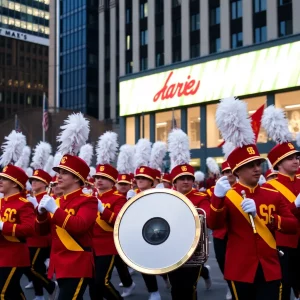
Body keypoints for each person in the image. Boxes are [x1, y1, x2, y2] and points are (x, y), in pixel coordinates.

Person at [211, 97, 298, 299]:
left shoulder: (272, 193)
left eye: (258, 163)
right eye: (251, 165)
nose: (257, 168)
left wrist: (268, 218)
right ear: (238, 170)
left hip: (270, 267)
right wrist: (217, 198)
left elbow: (292, 224)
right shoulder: (228, 196)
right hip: (240, 270)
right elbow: (215, 225)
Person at [36, 154, 98, 299]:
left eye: (65, 173)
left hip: (78, 263)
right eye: (59, 172)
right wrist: (41, 214)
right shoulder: (56, 202)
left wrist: (55, 211)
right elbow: (42, 231)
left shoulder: (88, 201)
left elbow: (80, 226)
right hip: (60, 264)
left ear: (77, 177)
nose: (59, 176)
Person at [89, 163, 134, 299]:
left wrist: (103, 210)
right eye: (97, 177)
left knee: (102, 282)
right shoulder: (91, 197)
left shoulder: (118, 197)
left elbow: (120, 221)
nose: (99, 180)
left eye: (104, 177)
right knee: (92, 283)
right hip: (91, 246)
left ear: (112, 181)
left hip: (108, 246)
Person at [0, 165, 36, 299]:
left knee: (3, 293)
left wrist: (4, 226)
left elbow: (29, 229)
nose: (0, 181)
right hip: (2, 255)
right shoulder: (1, 202)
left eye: (4, 178)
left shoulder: (24, 204)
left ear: (15, 183)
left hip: (14, 256)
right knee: (12, 292)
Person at [26, 169, 58, 300]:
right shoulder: (29, 196)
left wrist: (36, 207)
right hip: (29, 238)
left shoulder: (48, 198)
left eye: (37, 180)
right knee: (31, 267)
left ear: (45, 183)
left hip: (42, 239)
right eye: (32, 180)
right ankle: (39, 294)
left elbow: (50, 220)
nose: (33, 182)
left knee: (32, 267)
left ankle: (50, 286)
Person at [207, 161, 236, 300]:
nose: (229, 174)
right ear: (222, 173)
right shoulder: (213, 190)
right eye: (226, 171)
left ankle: (234, 287)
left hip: (236, 234)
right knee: (222, 263)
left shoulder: (242, 188)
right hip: (220, 234)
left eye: (231, 170)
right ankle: (230, 285)